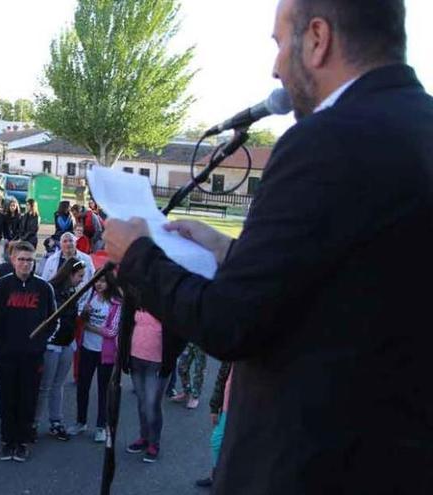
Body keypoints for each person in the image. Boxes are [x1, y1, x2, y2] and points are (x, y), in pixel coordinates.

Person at [106, 3, 433, 490]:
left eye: (279, 42)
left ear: (317, 38)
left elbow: (228, 323)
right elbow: (346, 282)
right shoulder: (418, 126)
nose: (275, 67)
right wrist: (228, 250)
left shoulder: (322, 142)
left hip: (309, 466)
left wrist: (136, 256)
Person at [0, 241, 56, 462]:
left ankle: (23, 441)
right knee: (7, 399)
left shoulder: (44, 288)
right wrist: (0, 343)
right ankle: (7, 441)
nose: (26, 264)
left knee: (28, 399)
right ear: (13, 260)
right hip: (6, 355)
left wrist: (40, 344)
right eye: (21, 259)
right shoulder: (0, 286)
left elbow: (53, 321)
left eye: (30, 259)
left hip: (33, 356)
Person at [69, 266, 121, 443]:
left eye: (103, 281)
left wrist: (90, 327)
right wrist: (84, 315)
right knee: (82, 386)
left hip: (105, 353)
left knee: (103, 390)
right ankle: (81, 421)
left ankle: (101, 426)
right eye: (97, 281)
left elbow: (112, 331)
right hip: (87, 349)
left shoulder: (116, 303)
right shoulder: (90, 298)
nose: (99, 284)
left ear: (110, 282)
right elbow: (80, 319)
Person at [35, 258, 85, 442]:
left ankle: (56, 421)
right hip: (52, 343)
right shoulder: (52, 290)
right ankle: (34, 422)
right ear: (70, 274)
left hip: (67, 342)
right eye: (79, 276)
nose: (82, 280)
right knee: (45, 386)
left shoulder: (72, 290)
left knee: (58, 384)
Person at [124, 308, 174, 463]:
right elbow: (126, 329)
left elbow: (176, 337)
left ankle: (154, 443)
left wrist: (168, 364)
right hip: (136, 359)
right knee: (142, 402)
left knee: (152, 405)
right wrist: (124, 358)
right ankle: (144, 437)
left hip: (157, 363)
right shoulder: (137, 301)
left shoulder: (167, 305)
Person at [195, 362, 232, 488]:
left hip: (246, 406)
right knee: (217, 440)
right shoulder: (232, 356)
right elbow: (221, 379)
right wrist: (214, 407)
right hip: (228, 404)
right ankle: (216, 477)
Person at [170, 343, 206, 409]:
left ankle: (195, 396)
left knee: (199, 369)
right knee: (181, 366)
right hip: (189, 340)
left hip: (202, 341)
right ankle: (186, 391)